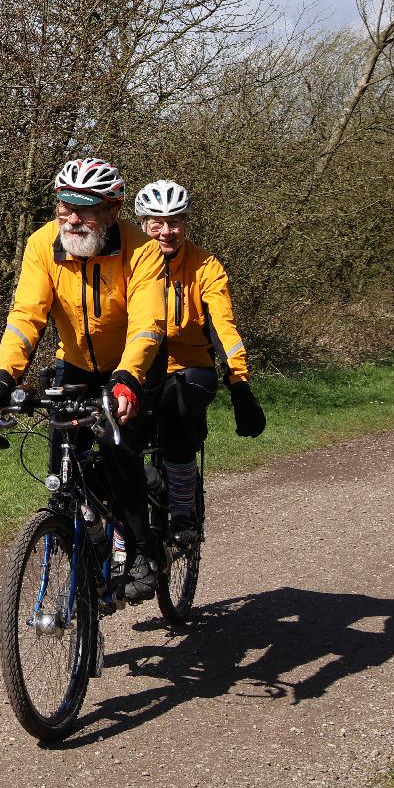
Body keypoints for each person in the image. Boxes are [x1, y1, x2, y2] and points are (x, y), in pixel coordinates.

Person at [0, 157, 168, 603]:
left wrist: (127, 379)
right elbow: (27, 316)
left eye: (84, 208)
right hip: (76, 365)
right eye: (65, 206)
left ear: (112, 211)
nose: (72, 218)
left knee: (119, 455)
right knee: (62, 471)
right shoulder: (44, 244)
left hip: (133, 367)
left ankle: (140, 551)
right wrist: (3, 377)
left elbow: (148, 324)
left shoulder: (141, 252)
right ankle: (93, 541)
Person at [129, 179, 266, 544]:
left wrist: (240, 385)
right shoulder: (127, 265)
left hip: (189, 367)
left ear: (186, 223)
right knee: (121, 435)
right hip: (138, 367)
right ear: (141, 224)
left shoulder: (205, 266)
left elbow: (224, 330)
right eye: (156, 223)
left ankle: (183, 513)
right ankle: (126, 530)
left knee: (175, 414)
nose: (166, 231)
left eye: (174, 221)